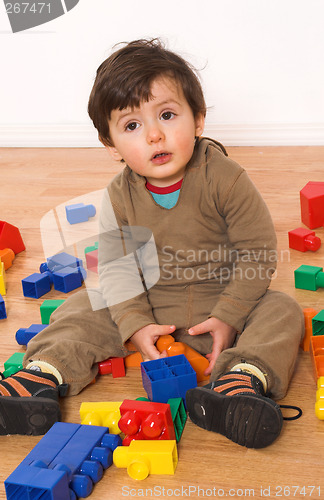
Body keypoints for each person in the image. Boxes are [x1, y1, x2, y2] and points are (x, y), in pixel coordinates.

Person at [0, 39, 304, 447]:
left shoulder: (226, 178)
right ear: (111, 146)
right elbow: (117, 270)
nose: (155, 135)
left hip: (223, 300)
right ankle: (40, 376)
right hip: (151, 302)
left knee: (282, 309)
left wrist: (230, 315)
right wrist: (136, 324)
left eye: (166, 115)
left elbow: (258, 252)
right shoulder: (118, 196)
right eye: (132, 126)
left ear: (198, 120)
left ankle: (241, 382)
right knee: (83, 305)